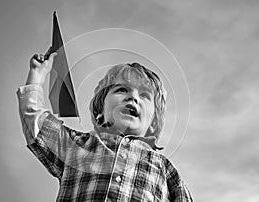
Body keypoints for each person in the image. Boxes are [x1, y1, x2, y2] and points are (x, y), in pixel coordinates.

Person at [17, 51, 193, 202]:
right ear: (100, 109)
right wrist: (37, 74)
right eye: (121, 90)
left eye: (145, 95)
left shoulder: (164, 168)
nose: (133, 97)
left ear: (153, 122)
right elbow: (36, 122)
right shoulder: (76, 146)